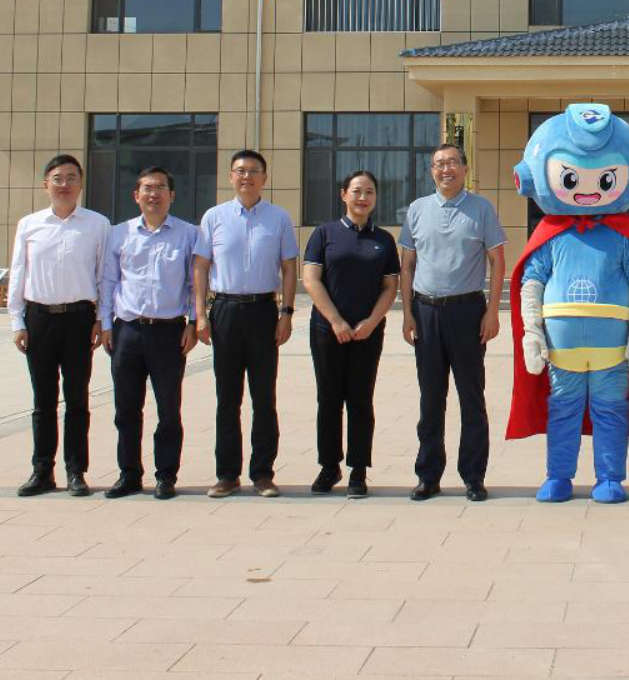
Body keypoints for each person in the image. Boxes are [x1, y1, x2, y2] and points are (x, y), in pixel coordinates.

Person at [399, 143, 506, 502]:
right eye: (439, 164)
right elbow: (407, 265)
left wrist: (492, 312)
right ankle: (428, 475)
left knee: (471, 397)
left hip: (467, 312)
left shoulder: (481, 208)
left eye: (453, 163)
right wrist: (408, 313)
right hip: (426, 311)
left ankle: (473, 476)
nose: (446, 169)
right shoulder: (417, 209)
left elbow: (497, 262)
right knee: (431, 399)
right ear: (432, 171)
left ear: (465, 168)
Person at [192, 149, 299, 499]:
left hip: (264, 311)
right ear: (230, 176)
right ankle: (227, 474)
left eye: (254, 171)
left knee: (264, 396)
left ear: (265, 178)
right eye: (240, 170)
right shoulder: (214, 217)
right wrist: (200, 314)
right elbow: (201, 267)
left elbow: (289, 267)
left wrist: (286, 313)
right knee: (228, 397)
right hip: (224, 310)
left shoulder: (278, 218)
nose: (247, 176)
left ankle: (263, 473)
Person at [7, 154, 111, 498]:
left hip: (79, 319)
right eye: (57, 178)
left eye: (71, 178)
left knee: (77, 399)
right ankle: (42, 470)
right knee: (43, 400)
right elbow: (18, 272)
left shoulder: (97, 225)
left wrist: (101, 319)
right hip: (39, 319)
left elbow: (104, 276)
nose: (64, 184)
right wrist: (17, 321)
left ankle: (76, 470)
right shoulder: (29, 224)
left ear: (81, 184)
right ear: (45, 184)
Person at [98, 165, 198, 501]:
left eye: (160, 188)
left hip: (169, 332)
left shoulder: (188, 234)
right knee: (126, 409)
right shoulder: (120, 233)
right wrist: (106, 324)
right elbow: (108, 281)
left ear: (172, 195)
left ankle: (166, 476)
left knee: (169, 408)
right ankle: (128, 474)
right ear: (136, 195)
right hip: (127, 331)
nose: (153, 194)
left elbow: (194, 284)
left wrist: (193, 322)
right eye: (147, 188)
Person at [302, 170, 401, 499]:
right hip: (327, 330)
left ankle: (358, 470)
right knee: (329, 399)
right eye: (356, 191)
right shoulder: (324, 233)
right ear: (343, 194)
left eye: (369, 192)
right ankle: (329, 467)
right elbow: (311, 280)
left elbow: (390, 286)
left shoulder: (383, 240)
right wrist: (336, 321)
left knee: (360, 399)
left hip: (367, 333)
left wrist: (372, 321)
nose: (362, 197)